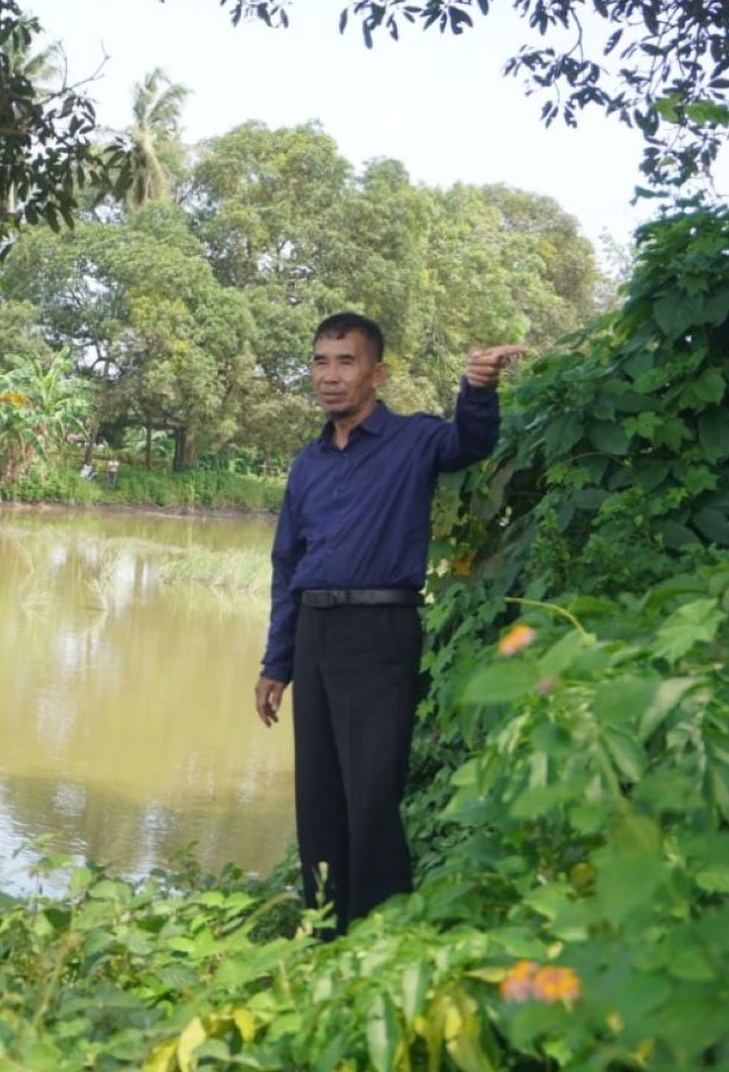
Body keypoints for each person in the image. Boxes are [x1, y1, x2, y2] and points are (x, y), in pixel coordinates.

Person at [254, 311, 525, 938]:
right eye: (320, 361)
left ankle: (380, 937)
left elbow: (471, 443)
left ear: (377, 372)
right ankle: (323, 934)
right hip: (317, 635)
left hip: (381, 633)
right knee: (318, 801)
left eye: (345, 361)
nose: (329, 375)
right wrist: (277, 662)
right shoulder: (308, 463)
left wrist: (479, 389)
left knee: (371, 798)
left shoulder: (415, 441)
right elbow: (286, 565)